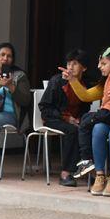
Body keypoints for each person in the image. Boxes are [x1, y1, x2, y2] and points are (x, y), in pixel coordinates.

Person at [70, 47, 110, 197]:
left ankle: (91, 162)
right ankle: (99, 174)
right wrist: (73, 80)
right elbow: (86, 95)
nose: (99, 66)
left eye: (103, 63)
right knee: (94, 125)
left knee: (86, 121)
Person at [39, 49, 92, 186]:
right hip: (54, 118)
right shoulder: (57, 81)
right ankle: (65, 173)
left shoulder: (86, 84)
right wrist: (66, 118)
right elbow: (45, 107)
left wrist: (79, 119)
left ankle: (91, 170)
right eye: (69, 63)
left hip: (75, 119)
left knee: (91, 127)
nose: (70, 67)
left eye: (75, 64)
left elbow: (85, 107)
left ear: (84, 68)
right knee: (73, 130)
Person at [0, 42, 32, 177]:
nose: (5, 58)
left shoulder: (19, 75)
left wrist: (11, 86)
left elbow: (26, 100)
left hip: (9, 115)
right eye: (2, 55)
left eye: (9, 56)